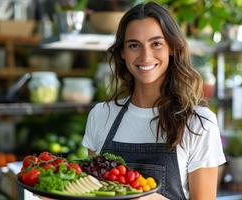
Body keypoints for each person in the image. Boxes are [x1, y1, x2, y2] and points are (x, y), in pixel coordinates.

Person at [82, 2, 226, 199]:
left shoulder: (198, 122)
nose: (145, 56)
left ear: (172, 48)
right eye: (134, 45)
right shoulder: (101, 115)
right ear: (122, 52)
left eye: (156, 43)